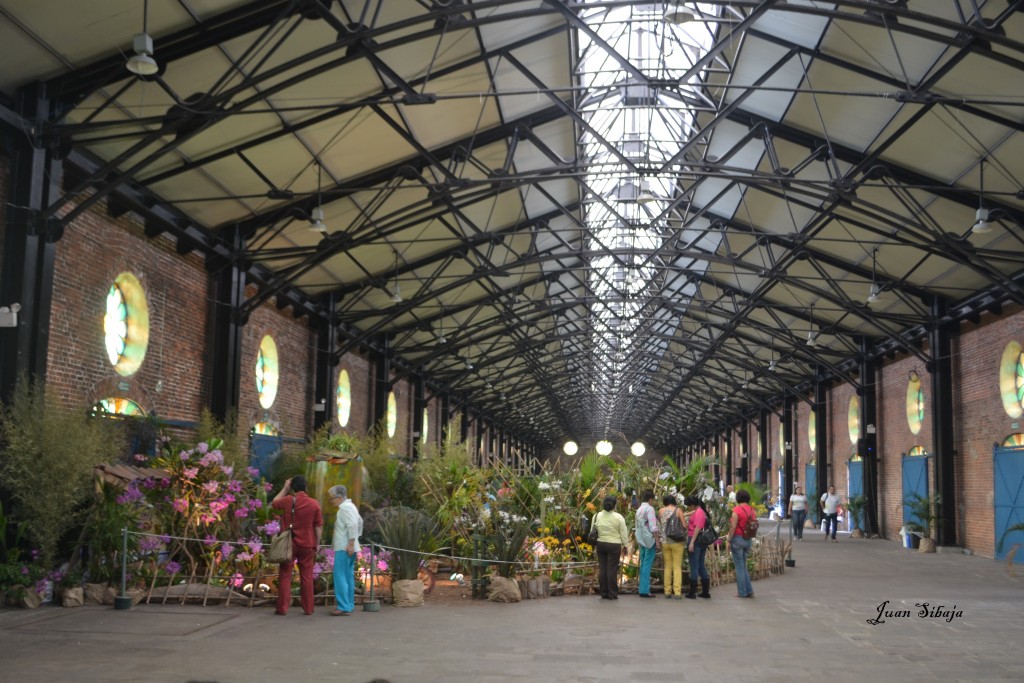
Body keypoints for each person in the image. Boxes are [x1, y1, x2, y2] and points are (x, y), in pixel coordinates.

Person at [271, 475, 323, 616]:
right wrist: (316, 544)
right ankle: (308, 609)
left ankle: (282, 608)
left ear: (293, 488)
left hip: (289, 544)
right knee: (307, 576)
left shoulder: (288, 500)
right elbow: (318, 526)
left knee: (285, 575)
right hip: (307, 544)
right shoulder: (314, 503)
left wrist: (285, 488)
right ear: (306, 487)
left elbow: (274, 503)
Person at [328, 484, 362, 616]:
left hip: (344, 547)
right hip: (349, 546)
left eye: (333, 498)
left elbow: (353, 524)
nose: (332, 501)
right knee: (348, 576)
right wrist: (355, 541)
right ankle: (349, 604)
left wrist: (350, 543)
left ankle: (343, 606)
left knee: (340, 576)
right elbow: (359, 522)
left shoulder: (344, 508)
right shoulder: (351, 506)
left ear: (340, 497)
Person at [592, 494, 629, 600]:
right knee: (611, 569)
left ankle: (603, 592)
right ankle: (612, 593)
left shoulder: (597, 516)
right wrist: (625, 545)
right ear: (614, 505)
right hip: (614, 545)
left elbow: (592, 531)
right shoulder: (618, 517)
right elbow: (623, 533)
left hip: (600, 544)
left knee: (602, 568)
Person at [728, 489, 756, 598]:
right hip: (748, 539)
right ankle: (749, 590)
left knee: (739, 566)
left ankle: (742, 592)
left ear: (738, 498)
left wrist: (729, 539)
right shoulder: (752, 510)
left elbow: (733, 527)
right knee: (743, 565)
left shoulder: (737, 510)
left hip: (737, 539)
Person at [684, 495, 711, 599]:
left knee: (694, 566)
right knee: (700, 565)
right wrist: (685, 514)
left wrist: (692, 543)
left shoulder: (699, 512)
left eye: (688, 506)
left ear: (692, 505)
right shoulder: (700, 510)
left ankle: (692, 591)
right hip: (700, 541)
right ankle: (705, 591)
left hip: (695, 539)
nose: (688, 508)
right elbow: (692, 513)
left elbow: (698, 527)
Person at [659, 494, 686, 599]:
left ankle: (667, 591)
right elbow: (684, 525)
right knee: (677, 567)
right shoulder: (678, 511)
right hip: (677, 542)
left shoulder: (661, 511)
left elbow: (659, 524)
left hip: (665, 542)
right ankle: (677, 592)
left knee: (668, 566)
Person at [634, 490, 660, 598]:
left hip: (641, 540)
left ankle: (642, 588)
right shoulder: (650, 509)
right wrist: (657, 540)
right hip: (649, 540)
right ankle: (645, 590)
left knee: (643, 563)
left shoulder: (639, 509)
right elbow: (653, 527)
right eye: (653, 500)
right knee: (647, 565)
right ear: (650, 499)